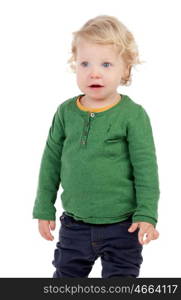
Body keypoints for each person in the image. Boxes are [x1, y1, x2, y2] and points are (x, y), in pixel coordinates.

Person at [32, 15, 160, 278]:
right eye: (85, 63)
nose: (94, 72)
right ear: (75, 65)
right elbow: (51, 162)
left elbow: (146, 169)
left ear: (125, 69)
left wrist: (147, 213)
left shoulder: (133, 115)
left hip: (124, 227)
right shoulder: (66, 112)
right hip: (74, 226)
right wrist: (44, 207)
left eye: (106, 64)